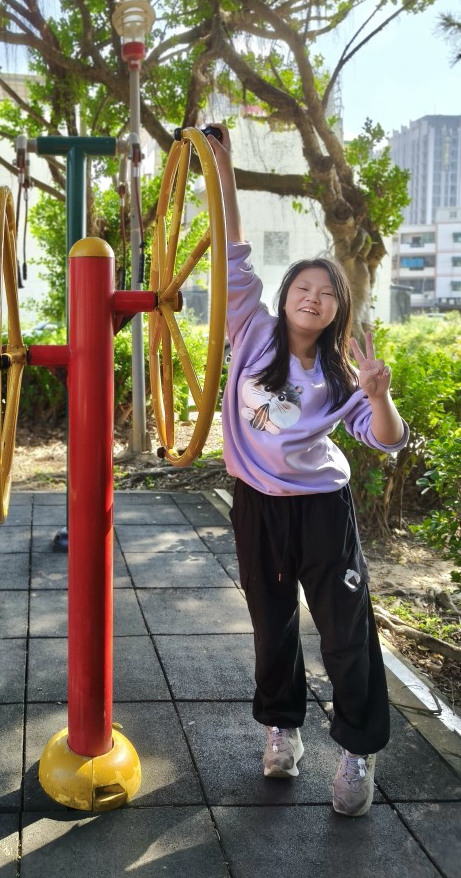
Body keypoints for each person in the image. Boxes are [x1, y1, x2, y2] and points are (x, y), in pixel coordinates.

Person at [205, 125, 408, 817]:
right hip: (257, 504)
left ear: (336, 310)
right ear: (286, 292)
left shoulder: (342, 373)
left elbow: (387, 440)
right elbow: (231, 245)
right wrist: (223, 168)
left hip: (322, 508)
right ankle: (282, 730)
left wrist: (379, 395)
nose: (313, 296)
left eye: (327, 292)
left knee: (345, 632)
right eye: (303, 285)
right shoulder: (251, 331)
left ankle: (357, 751)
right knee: (271, 626)